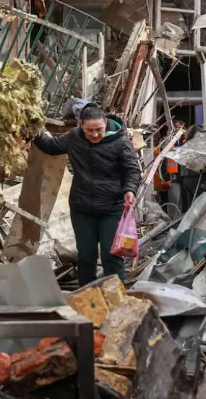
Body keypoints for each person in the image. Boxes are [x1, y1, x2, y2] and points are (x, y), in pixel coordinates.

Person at [33, 104, 140, 286]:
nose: (95, 134)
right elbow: (51, 146)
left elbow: (132, 170)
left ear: (106, 123)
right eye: (90, 130)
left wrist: (129, 190)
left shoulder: (120, 141)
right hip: (82, 208)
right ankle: (87, 300)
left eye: (99, 129)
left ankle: (118, 299)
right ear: (81, 126)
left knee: (111, 255)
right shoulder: (74, 138)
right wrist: (32, 125)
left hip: (111, 208)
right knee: (86, 257)